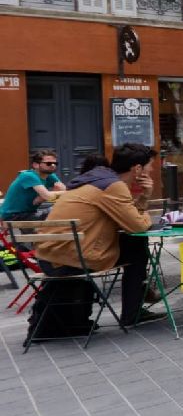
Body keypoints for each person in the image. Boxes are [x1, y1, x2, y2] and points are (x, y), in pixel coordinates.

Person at [28, 144, 162, 341]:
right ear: (137, 169)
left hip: (51, 256)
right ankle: (133, 310)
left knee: (131, 244)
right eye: (149, 166)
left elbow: (128, 218)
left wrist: (141, 201)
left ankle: (141, 297)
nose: (151, 170)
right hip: (70, 259)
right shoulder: (114, 186)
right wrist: (146, 204)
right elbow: (138, 226)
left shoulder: (95, 180)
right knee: (135, 246)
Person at [2, 149, 66, 221]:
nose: (53, 165)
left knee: (61, 209)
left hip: (29, 213)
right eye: (48, 163)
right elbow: (48, 196)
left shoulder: (50, 176)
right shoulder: (28, 175)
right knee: (56, 212)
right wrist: (53, 193)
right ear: (35, 165)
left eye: (55, 163)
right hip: (13, 215)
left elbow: (68, 193)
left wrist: (47, 196)